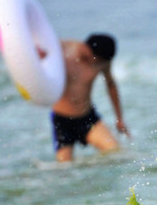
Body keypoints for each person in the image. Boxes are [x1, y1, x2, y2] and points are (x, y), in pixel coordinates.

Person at [50, 34, 130, 162]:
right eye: (95, 58)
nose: (95, 62)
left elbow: (111, 85)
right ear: (85, 47)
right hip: (62, 121)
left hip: (87, 118)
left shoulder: (102, 63)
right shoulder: (63, 49)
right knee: (63, 168)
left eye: (99, 61)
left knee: (116, 153)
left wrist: (119, 118)